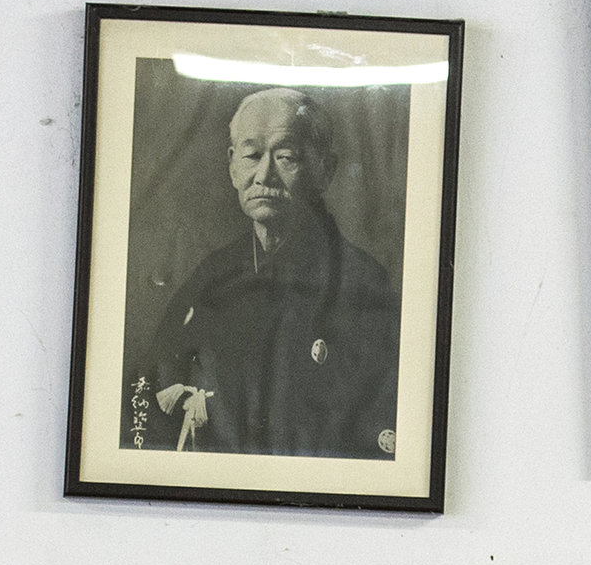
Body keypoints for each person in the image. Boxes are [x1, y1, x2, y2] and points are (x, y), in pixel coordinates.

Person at [148, 87, 401, 459]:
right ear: (233, 165)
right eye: (251, 155)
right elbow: (157, 383)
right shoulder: (211, 276)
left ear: (324, 170)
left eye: (287, 157)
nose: (264, 174)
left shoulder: (364, 284)